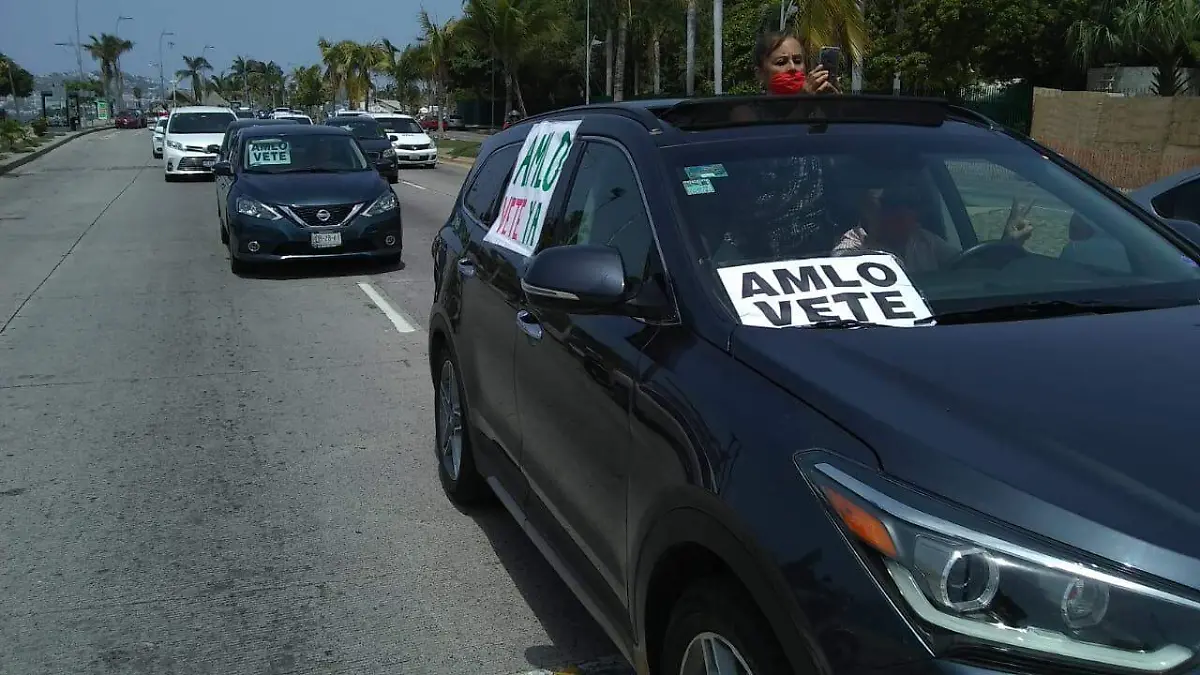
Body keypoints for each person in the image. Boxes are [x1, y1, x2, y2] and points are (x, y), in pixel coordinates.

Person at [731, 32, 841, 261]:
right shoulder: (745, 113)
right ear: (760, 74)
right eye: (781, 62)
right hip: (758, 248)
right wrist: (803, 103)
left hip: (817, 244)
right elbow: (770, 154)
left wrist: (837, 108)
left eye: (798, 61)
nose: (792, 68)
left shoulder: (816, 112)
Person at [833, 187, 1035, 273]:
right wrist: (876, 232)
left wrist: (1008, 243)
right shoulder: (851, 246)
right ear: (868, 209)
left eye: (911, 204)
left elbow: (971, 269)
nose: (904, 212)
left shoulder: (923, 240)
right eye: (891, 204)